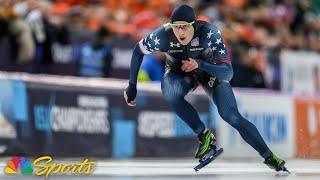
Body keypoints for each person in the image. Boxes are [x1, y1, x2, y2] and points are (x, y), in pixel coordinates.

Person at [124, 4, 288, 172]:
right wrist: (132, 85)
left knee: (231, 116)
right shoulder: (163, 35)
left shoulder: (209, 32)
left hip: (208, 70)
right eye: (176, 28)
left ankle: (269, 156)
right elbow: (138, 50)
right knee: (170, 91)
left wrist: (200, 64)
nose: (180, 32)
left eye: (185, 27)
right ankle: (204, 135)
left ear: (194, 25)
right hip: (180, 73)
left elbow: (228, 73)